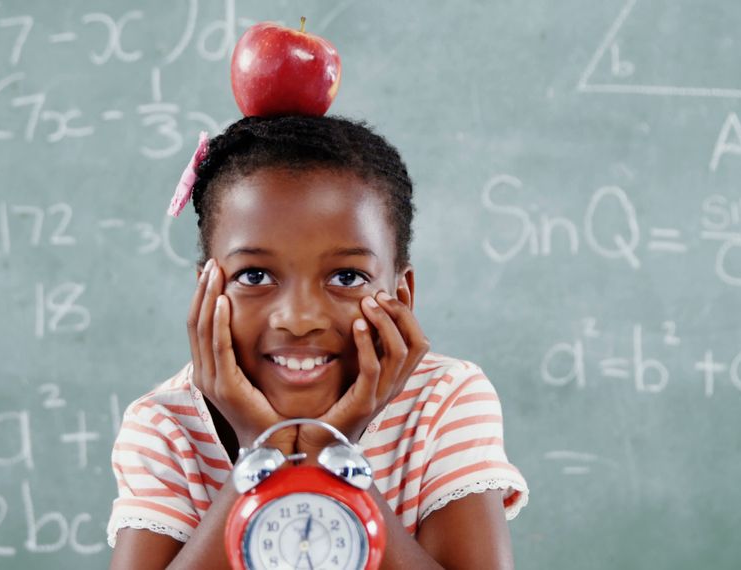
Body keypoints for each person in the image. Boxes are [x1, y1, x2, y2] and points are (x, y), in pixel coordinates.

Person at [107, 115, 528, 569]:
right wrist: (261, 455)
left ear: (402, 296)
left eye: (347, 276)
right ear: (207, 295)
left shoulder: (442, 402)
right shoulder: (166, 427)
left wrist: (333, 455)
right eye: (254, 275)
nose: (300, 319)